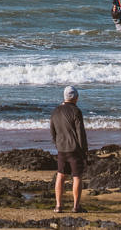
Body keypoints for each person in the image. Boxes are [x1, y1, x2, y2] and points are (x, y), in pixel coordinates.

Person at [50, 85, 88, 213]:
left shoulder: (56, 111)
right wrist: (84, 150)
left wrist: (57, 144)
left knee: (60, 175)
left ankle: (58, 205)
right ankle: (76, 206)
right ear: (76, 97)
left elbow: (52, 131)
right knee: (77, 176)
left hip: (61, 148)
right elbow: (80, 133)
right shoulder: (76, 111)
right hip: (74, 149)